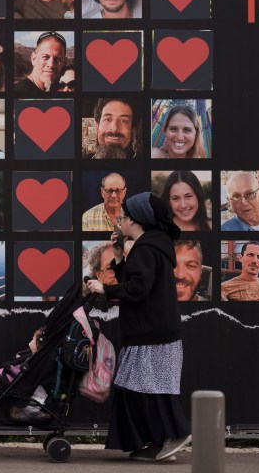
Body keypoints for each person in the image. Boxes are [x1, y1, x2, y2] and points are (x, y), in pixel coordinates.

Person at [87, 192, 191, 462]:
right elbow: (138, 280)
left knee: (148, 388)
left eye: (122, 216)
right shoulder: (152, 246)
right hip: (154, 332)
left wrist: (104, 288)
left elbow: (138, 288)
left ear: (134, 220)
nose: (119, 221)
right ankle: (159, 442)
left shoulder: (146, 248)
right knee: (142, 387)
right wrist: (120, 258)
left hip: (151, 334)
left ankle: (175, 435)